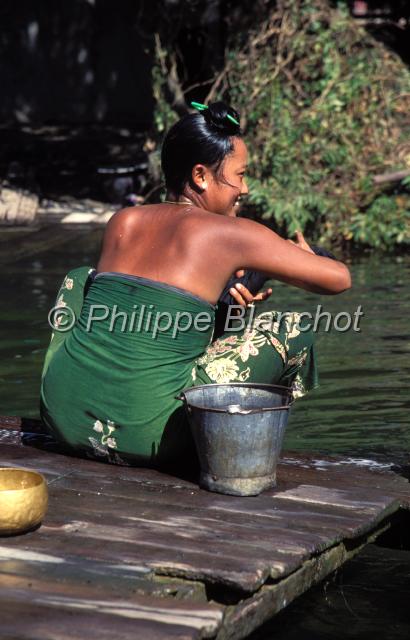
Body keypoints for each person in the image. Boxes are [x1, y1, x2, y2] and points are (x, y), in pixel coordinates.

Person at [40, 101, 351, 469]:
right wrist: (305, 256)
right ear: (201, 176)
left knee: (80, 278)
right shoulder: (229, 234)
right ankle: (234, 450)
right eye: (240, 175)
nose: (245, 189)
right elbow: (338, 280)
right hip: (154, 438)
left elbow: (155, 319)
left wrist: (226, 308)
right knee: (292, 329)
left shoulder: (122, 221)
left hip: (63, 419)